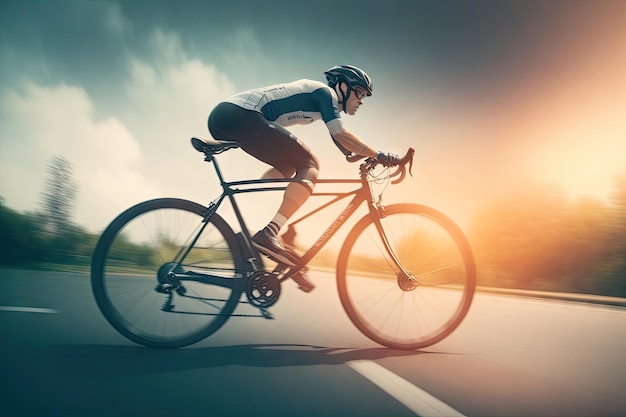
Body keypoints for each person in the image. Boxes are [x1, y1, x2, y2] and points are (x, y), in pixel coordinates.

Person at [208, 65, 399, 267]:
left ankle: (249, 232)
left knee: (288, 167)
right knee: (309, 164)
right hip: (241, 114)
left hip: (227, 117)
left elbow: (344, 145)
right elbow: (340, 134)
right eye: (359, 92)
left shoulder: (325, 105)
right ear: (342, 86)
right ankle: (269, 233)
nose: (361, 101)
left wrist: (363, 155)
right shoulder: (325, 94)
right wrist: (379, 154)